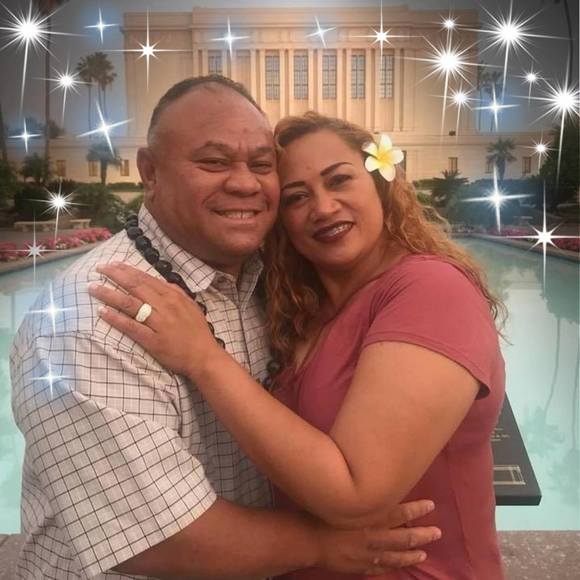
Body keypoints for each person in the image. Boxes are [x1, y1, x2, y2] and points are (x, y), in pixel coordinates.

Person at [10, 76, 441, 580]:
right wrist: (323, 544)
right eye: (214, 162)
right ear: (150, 171)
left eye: (261, 165)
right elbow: (159, 537)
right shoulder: (92, 319)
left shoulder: (271, 281)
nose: (244, 184)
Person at [90, 111, 507, 579]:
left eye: (339, 180)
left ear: (381, 184)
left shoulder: (431, 291)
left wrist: (204, 358)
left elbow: (357, 492)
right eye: (296, 197)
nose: (323, 208)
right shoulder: (308, 309)